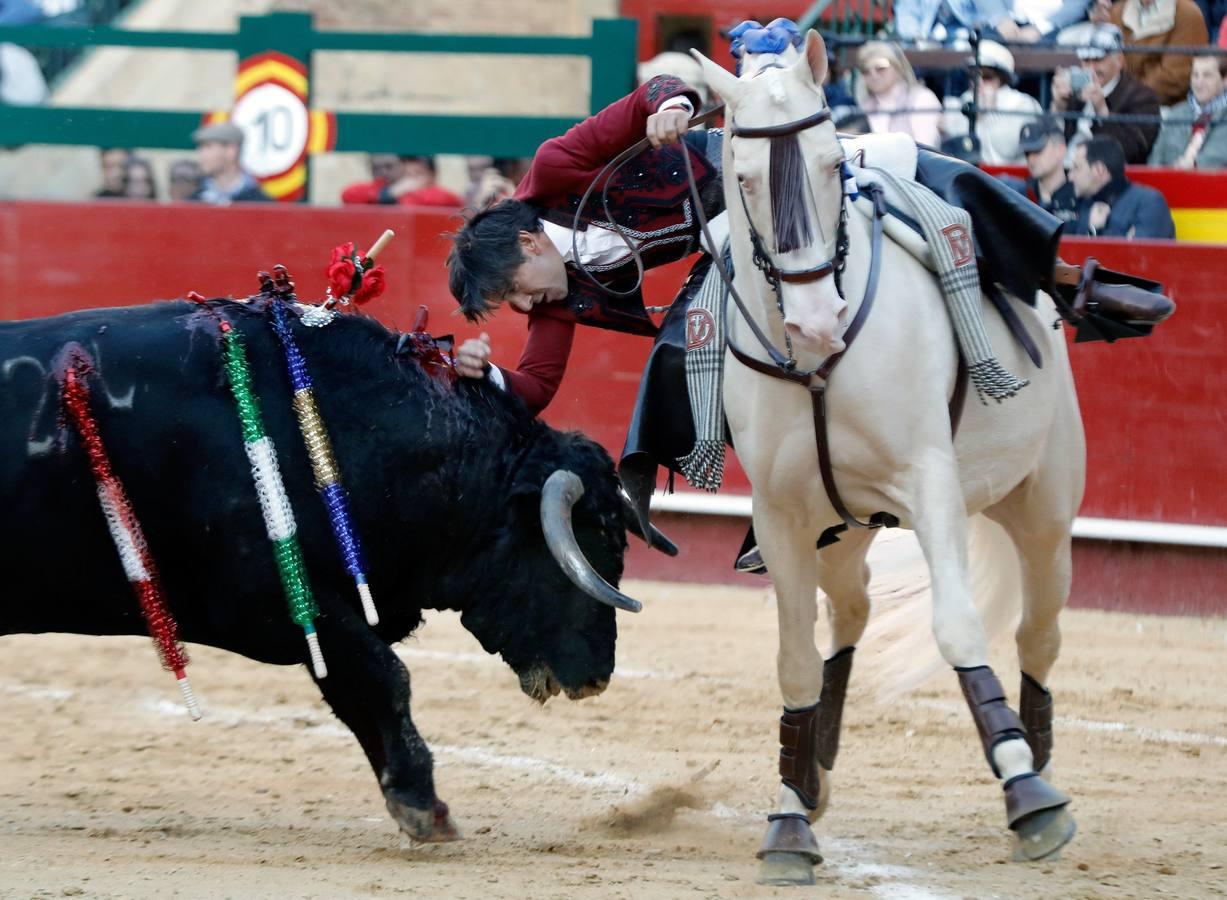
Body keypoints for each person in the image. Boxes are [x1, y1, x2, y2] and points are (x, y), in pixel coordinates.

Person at [1051, 24, 1162, 163]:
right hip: (1069, 171)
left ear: (1119, 61)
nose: (1091, 68)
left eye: (1098, 60)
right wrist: (1059, 109)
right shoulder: (1074, 91)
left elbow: (1131, 153)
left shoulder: (1143, 98)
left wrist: (1102, 112)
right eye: (1086, 60)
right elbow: (1053, 147)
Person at [940, 40, 1043, 163]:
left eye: (987, 76)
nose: (979, 82)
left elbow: (1008, 150)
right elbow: (956, 148)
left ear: (1003, 78)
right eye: (974, 75)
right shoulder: (965, 100)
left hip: (1013, 179)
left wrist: (991, 115)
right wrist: (977, 119)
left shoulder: (1023, 104)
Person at [1069, 136, 1176, 236]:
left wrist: (1095, 232)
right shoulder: (1080, 204)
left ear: (1099, 170)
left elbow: (1139, 254)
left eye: (1076, 168)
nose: (1070, 176)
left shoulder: (1149, 203)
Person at [1111, 0, 1210, 105]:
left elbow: (1174, 77)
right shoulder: (1118, 11)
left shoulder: (1187, 14)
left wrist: (1129, 98)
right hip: (1120, 103)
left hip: (1168, 107)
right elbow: (1109, 67)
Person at [854, 41, 942, 145]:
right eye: (866, 70)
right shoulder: (866, 106)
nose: (873, 75)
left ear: (898, 66)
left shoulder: (921, 98)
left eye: (880, 68)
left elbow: (925, 148)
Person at [1149, 53, 1227, 166]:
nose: (1199, 82)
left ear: (1225, 80)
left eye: (1207, 75)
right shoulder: (1176, 113)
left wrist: (1191, 165)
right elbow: (1156, 157)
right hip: (1168, 181)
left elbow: (1218, 155)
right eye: (1195, 75)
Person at [189, 121, 271, 204]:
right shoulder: (193, 200)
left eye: (208, 147)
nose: (202, 155)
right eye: (201, 148)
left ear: (231, 151)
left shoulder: (260, 203)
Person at [1016, 116, 1080, 222]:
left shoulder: (1079, 196)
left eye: (1038, 150)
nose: (1031, 159)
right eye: (1027, 152)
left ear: (1061, 149)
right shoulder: (1019, 193)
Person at [340, 155, 463, 207]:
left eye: (389, 166)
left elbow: (452, 200)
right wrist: (391, 193)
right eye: (376, 168)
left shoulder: (428, 192)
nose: (383, 173)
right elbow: (348, 195)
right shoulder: (387, 187)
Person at [893, 0, 1026, 43]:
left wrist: (1000, 19)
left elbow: (997, 17)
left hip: (976, 40)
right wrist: (917, 37)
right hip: (930, 44)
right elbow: (905, 14)